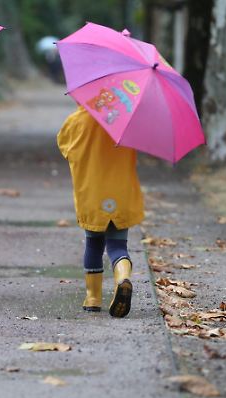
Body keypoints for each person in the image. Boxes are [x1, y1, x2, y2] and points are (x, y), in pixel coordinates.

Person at [57, 105, 144, 318]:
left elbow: (65, 147)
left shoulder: (77, 119)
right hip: (121, 192)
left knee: (93, 244)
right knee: (117, 245)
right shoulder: (127, 120)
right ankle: (123, 276)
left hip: (92, 192)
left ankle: (93, 298)